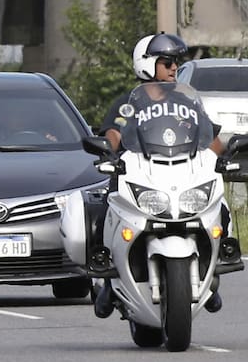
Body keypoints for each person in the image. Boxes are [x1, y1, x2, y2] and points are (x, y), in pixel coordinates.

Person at [92, 32, 228, 317]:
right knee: (106, 207)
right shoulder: (128, 103)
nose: (173, 68)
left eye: (175, 62)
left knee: (220, 207)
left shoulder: (187, 102)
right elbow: (114, 134)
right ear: (146, 64)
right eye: (166, 62)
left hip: (180, 173)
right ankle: (107, 275)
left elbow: (209, 137)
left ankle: (212, 273)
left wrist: (224, 153)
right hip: (141, 172)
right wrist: (107, 147)